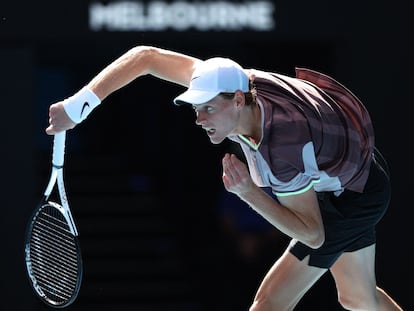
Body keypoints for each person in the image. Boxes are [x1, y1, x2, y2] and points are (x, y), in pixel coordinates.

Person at [46, 45, 403, 310]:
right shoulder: (232, 82)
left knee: (268, 305)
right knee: (357, 298)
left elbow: (312, 233)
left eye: (208, 108)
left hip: (352, 194)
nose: (199, 119)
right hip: (359, 173)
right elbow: (146, 57)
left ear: (236, 101)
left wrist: (250, 193)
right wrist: (79, 106)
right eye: (197, 108)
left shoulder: (283, 145)